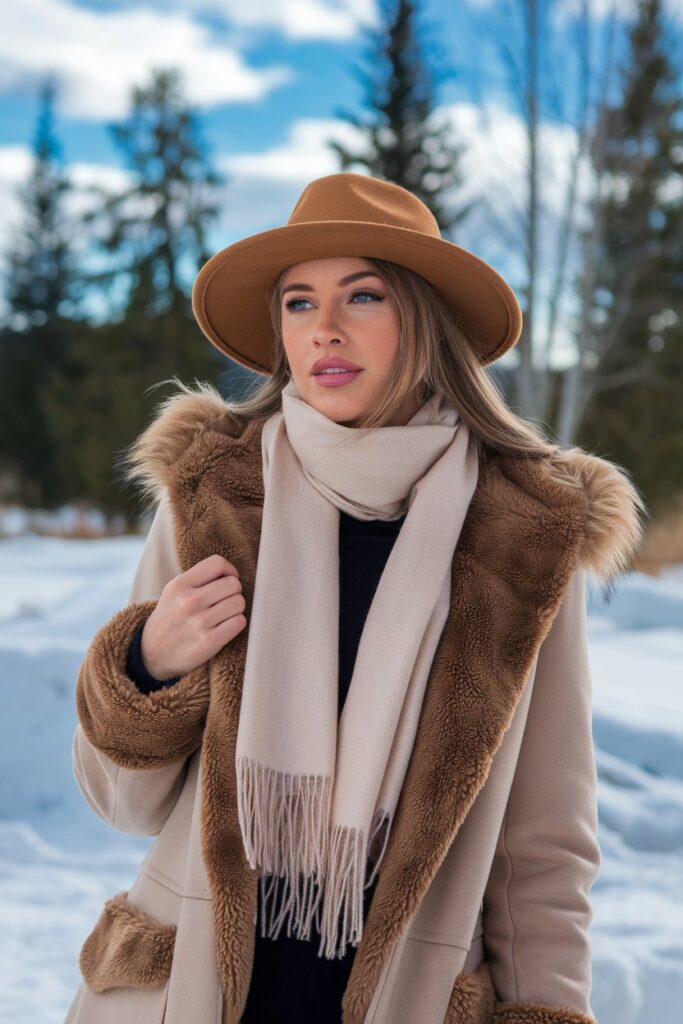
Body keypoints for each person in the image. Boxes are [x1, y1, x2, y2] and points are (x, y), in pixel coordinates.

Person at [65, 172, 645, 1024]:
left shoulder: (524, 535)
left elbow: (543, 852)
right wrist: (149, 667)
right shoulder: (214, 496)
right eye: (298, 303)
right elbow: (123, 805)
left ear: (424, 320)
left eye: (361, 295)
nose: (324, 328)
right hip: (188, 993)